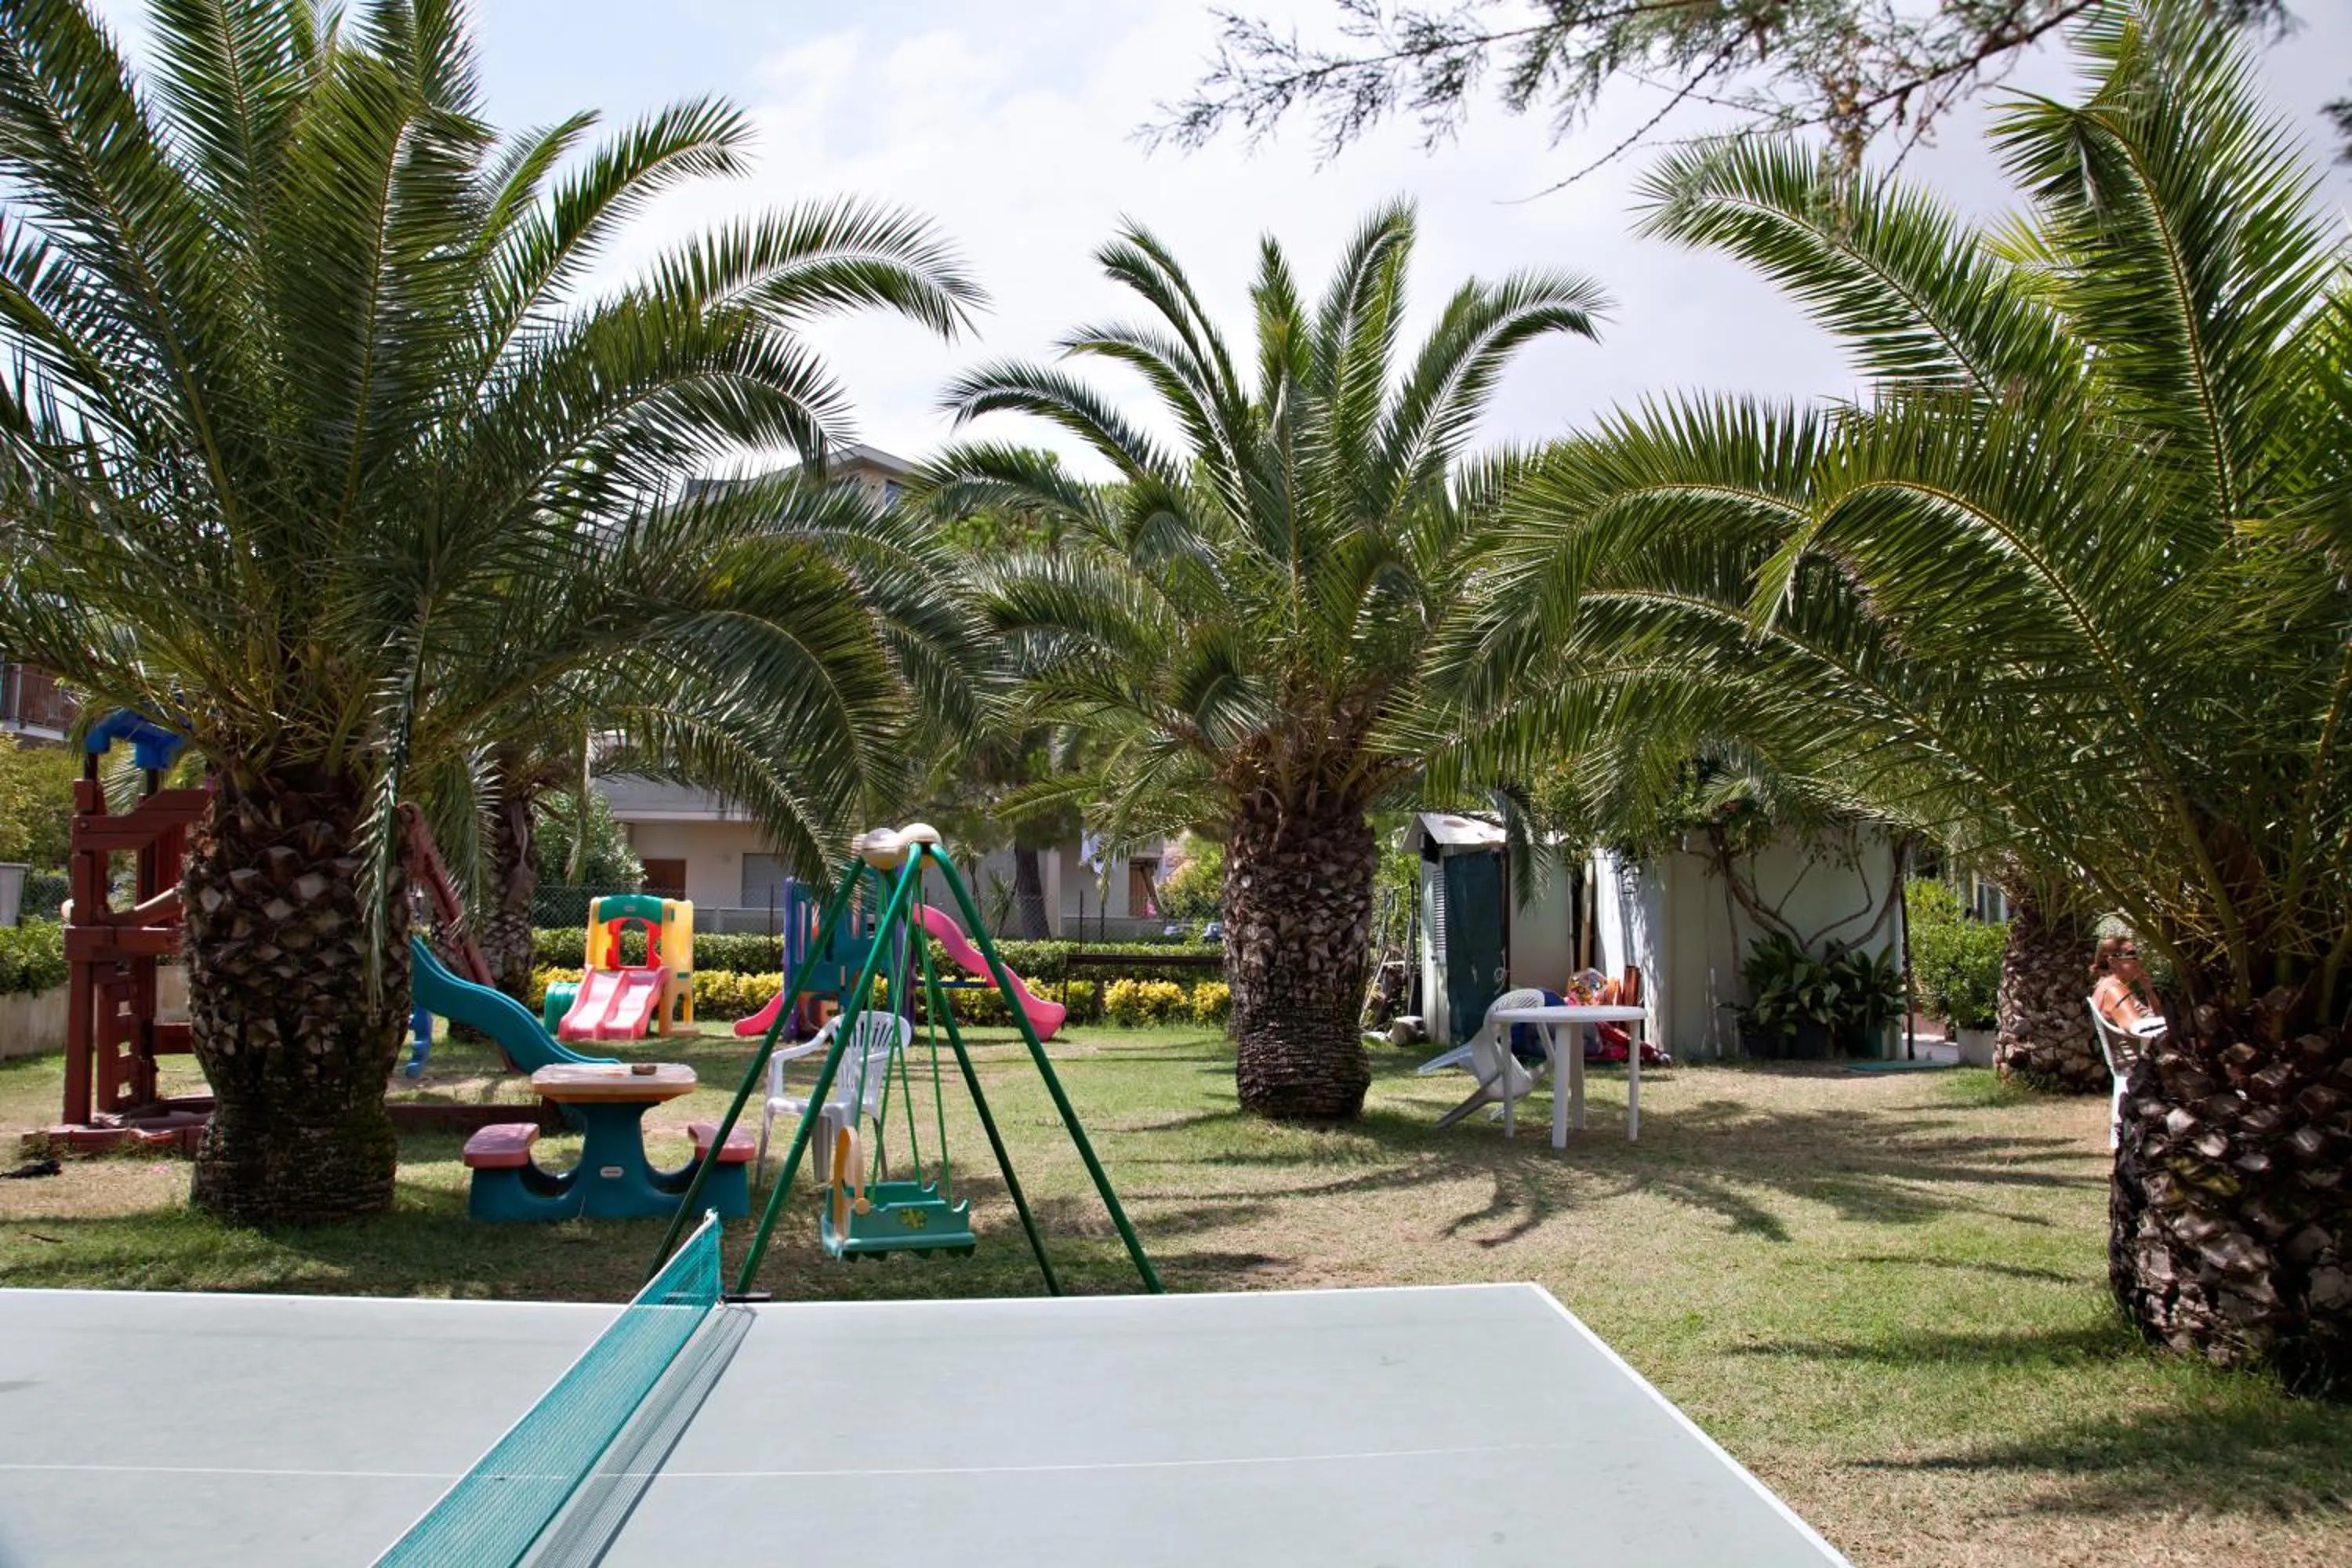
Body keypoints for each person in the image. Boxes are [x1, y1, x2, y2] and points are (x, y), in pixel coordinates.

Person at [2091, 936, 2166, 1039]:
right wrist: (2170, 1022)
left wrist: (2149, 991)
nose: (2139, 960)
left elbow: (2153, 1018)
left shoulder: (2113, 987)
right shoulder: (2113, 991)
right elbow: (2138, 1028)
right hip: (2140, 1054)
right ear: (2113, 961)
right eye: (2132, 955)